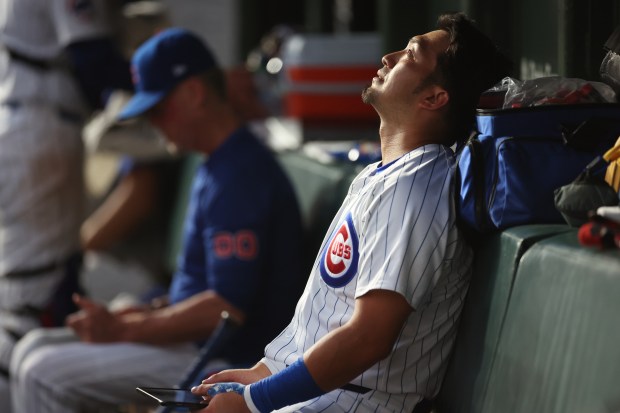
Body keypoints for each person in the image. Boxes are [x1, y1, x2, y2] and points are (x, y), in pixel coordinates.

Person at [190, 12, 512, 413]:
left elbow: (367, 338)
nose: (389, 57)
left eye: (411, 55)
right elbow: (330, 318)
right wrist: (261, 374)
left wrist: (254, 402)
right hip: (329, 394)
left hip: (360, 403)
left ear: (434, 97)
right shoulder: (383, 174)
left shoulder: (415, 188)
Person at [9, 27, 304, 413]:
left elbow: (226, 311)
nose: (154, 123)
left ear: (195, 94)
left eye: (158, 109)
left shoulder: (240, 172)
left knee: (41, 371)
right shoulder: (216, 159)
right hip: (197, 344)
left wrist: (125, 329)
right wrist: (146, 313)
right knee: (30, 348)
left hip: (232, 363)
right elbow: (204, 291)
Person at [0, 0, 132, 411]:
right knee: (33, 298)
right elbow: (93, 62)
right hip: (40, 125)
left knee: (35, 287)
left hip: (30, 121)